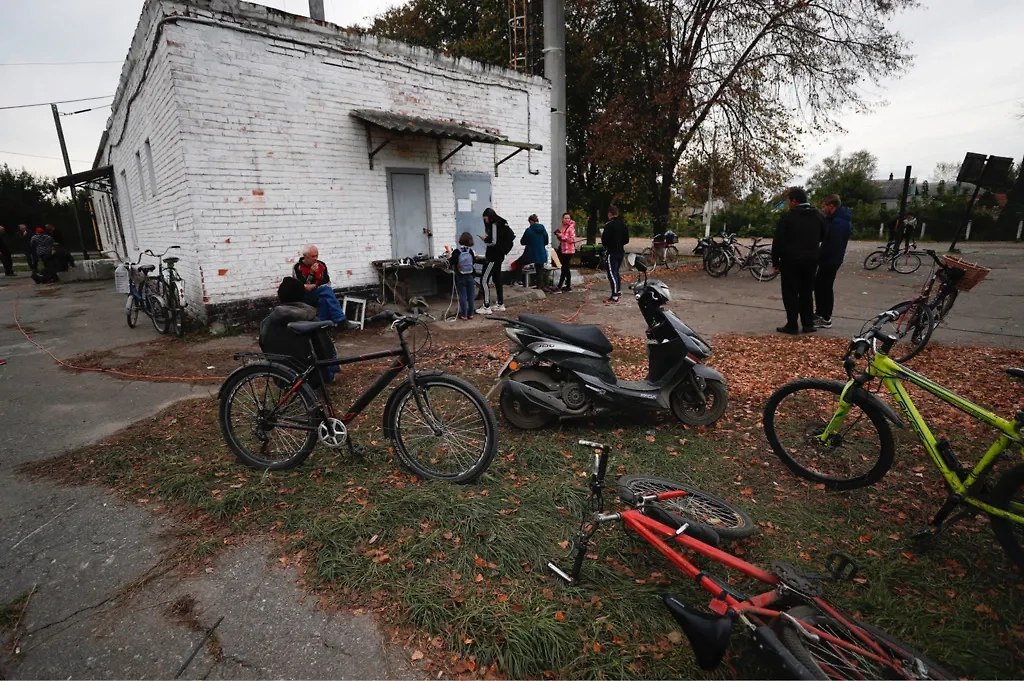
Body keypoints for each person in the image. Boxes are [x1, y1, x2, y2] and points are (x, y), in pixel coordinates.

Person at [260, 277, 337, 384]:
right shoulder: (312, 319)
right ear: (302, 295)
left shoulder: (267, 322)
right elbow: (328, 353)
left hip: (281, 378)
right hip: (312, 379)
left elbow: (264, 347)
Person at [771, 187, 826, 335]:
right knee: (806, 291)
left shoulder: (788, 217)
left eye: (789, 200)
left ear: (794, 201)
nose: (788, 203)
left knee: (790, 292)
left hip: (791, 260)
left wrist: (775, 262)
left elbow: (778, 241)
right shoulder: (818, 216)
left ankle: (792, 324)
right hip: (811, 259)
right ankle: (808, 324)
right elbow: (823, 235)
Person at [291, 244, 358, 329]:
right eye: (312, 256)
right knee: (325, 291)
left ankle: (322, 327)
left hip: (319, 293)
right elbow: (302, 286)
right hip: (304, 296)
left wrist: (314, 285)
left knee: (324, 299)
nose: (315, 258)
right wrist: (311, 274)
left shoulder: (321, 265)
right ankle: (341, 320)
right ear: (305, 256)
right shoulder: (298, 267)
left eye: (317, 256)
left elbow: (326, 282)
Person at [813, 194, 852, 329]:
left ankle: (825, 317)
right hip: (829, 258)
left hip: (831, 259)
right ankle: (820, 313)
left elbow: (832, 243)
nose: (823, 209)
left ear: (831, 206)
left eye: (824, 206)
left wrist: (819, 255)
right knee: (819, 286)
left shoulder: (838, 223)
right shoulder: (835, 219)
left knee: (825, 287)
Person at [476, 207, 513, 314]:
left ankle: (486, 306)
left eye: (485, 219)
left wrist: (485, 239)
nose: (485, 221)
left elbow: (493, 242)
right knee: (497, 279)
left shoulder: (494, 225)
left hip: (493, 257)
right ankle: (500, 303)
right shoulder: (501, 224)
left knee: (484, 279)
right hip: (499, 255)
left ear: (490, 217)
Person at [601, 205, 629, 303]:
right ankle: (618, 290)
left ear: (610, 214)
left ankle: (614, 295)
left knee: (611, 273)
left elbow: (604, 239)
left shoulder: (609, 225)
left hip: (611, 252)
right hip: (620, 251)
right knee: (616, 272)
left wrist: (606, 246)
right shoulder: (623, 224)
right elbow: (626, 239)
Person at [450, 232, 477, 320]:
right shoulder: (471, 251)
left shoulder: (456, 251)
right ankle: (471, 314)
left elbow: (452, 262)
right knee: (471, 295)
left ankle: (464, 315)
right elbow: (473, 262)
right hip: (470, 275)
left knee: (462, 295)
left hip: (460, 275)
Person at [520, 214, 549, 289]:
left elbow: (522, 242)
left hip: (531, 253)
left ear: (531, 221)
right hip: (542, 252)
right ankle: (540, 286)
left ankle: (519, 281)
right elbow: (546, 241)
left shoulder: (529, 230)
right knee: (540, 269)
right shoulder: (543, 229)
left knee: (519, 263)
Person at [553, 212, 577, 292]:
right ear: (562, 219)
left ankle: (561, 285)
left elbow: (572, 240)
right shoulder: (563, 227)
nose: (566, 220)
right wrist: (558, 236)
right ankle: (567, 285)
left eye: (568, 218)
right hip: (563, 250)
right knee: (565, 268)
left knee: (565, 268)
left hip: (569, 251)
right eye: (565, 218)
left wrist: (562, 236)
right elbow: (563, 240)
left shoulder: (571, 228)